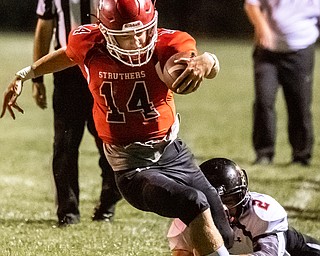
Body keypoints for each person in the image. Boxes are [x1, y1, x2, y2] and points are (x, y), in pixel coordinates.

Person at [1, 0, 234, 254]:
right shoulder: (89, 43)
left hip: (173, 153)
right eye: (127, 36)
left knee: (225, 235)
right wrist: (26, 74)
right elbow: (67, 55)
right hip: (133, 166)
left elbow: (197, 63)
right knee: (193, 202)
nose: (137, 41)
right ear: (106, 33)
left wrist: (208, 61)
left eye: (143, 31)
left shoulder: (168, 43)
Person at [31, 0, 122, 226]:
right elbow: (44, 28)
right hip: (68, 71)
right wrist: (38, 78)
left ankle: (107, 206)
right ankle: (68, 213)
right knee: (64, 144)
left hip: (106, 69)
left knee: (109, 141)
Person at [168, 157, 320, 256]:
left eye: (228, 199)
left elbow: (271, 254)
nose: (223, 209)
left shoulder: (260, 213)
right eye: (213, 202)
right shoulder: (186, 222)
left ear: (242, 195)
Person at [244, 0, 320, 166]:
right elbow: (251, 5)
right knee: (264, 101)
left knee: (299, 103)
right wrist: (262, 26)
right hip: (267, 53)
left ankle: (301, 156)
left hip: (300, 50)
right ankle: (264, 153)